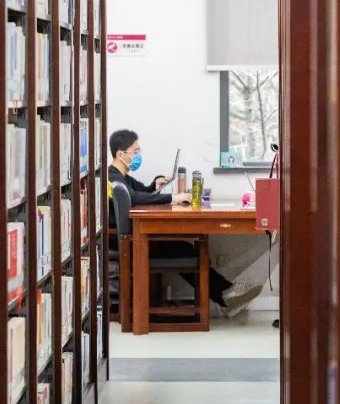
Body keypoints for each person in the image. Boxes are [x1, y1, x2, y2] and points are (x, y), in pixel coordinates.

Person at [108, 128, 263, 316]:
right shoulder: (112, 179)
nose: (139, 155)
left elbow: (140, 192)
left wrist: (155, 185)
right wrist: (173, 198)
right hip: (128, 241)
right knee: (185, 249)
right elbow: (133, 197)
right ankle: (225, 294)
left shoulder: (123, 177)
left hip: (135, 236)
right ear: (120, 154)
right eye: (135, 152)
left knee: (186, 248)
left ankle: (225, 293)